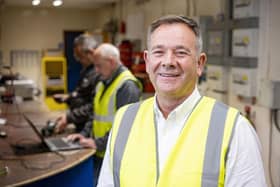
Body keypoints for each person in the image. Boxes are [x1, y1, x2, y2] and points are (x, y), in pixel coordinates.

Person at [97, 15, 267, 187]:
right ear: (147, 62)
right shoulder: (124, 120)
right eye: (159, 52)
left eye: (181, 52)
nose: (168, 62)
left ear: (199, 63)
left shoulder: (235, 130)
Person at [67, 43, 142, 186]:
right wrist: (84, 134)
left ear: (112, 62)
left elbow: (125, 128)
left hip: (117, 157)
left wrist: (97, 143)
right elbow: (95, 114)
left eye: (99, 66)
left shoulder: (127, 86)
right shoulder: (102, 83)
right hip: (101, 152)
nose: (96, 70)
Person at [54, 33, 100, 133]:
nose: (78, 60)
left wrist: (69, 117)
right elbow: (81, 93)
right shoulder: (86, 70)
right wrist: (69, 97)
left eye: (80, 56)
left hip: (89, 127)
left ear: (90, 53)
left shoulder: (99, 73)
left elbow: (93, 106)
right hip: (80, 123)